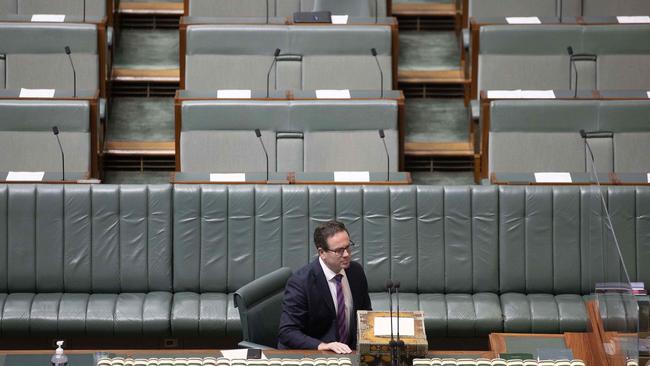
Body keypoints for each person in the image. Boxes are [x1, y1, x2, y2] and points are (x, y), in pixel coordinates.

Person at [278, 220, 372, 353]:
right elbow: (287, 332)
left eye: (348, 247)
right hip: (316, 354)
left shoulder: (356, 272)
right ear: (322, 253)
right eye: (339, 250)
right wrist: (323, 345)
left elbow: (365, 313)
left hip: (350, 353)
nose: (346, 254)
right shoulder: (301, 282)